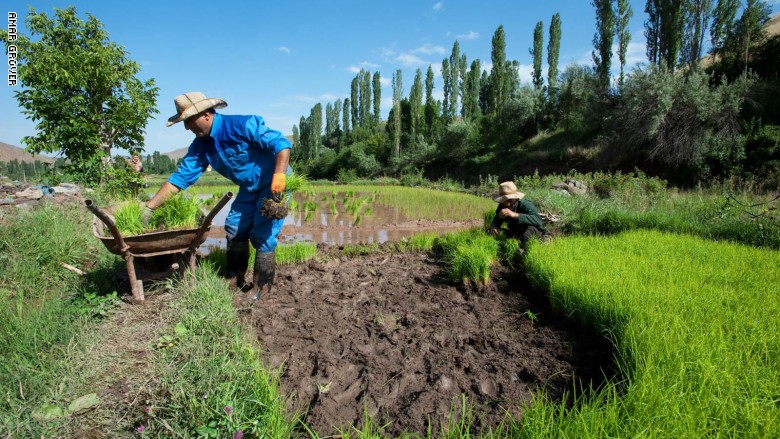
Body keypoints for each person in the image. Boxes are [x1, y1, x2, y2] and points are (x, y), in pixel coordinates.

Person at [142, 92, 291, 303]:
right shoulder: (200, 147)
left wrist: (279, 176)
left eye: (188, 121)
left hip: (274, 184)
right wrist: (150, 207)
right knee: (233, 227)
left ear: (205, 114)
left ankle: (261, 289)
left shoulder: (242, 124)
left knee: (262, 233)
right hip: (249, 187)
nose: (186, 127)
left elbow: (282, 144)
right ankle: (234, 278)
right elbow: (180, 178)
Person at [488, 181, 548, 245]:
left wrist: (515, 215)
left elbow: (538, 221)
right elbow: (497, 219)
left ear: (516, 198)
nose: (507, 204)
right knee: (493, 232)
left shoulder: (525, 204)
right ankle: (514, 244)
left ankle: (525, 248)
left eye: (510, 200)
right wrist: (494, 226)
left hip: (534, 233)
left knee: (525, 229)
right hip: (516, 232)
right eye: (504, 200)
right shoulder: (502, 206)